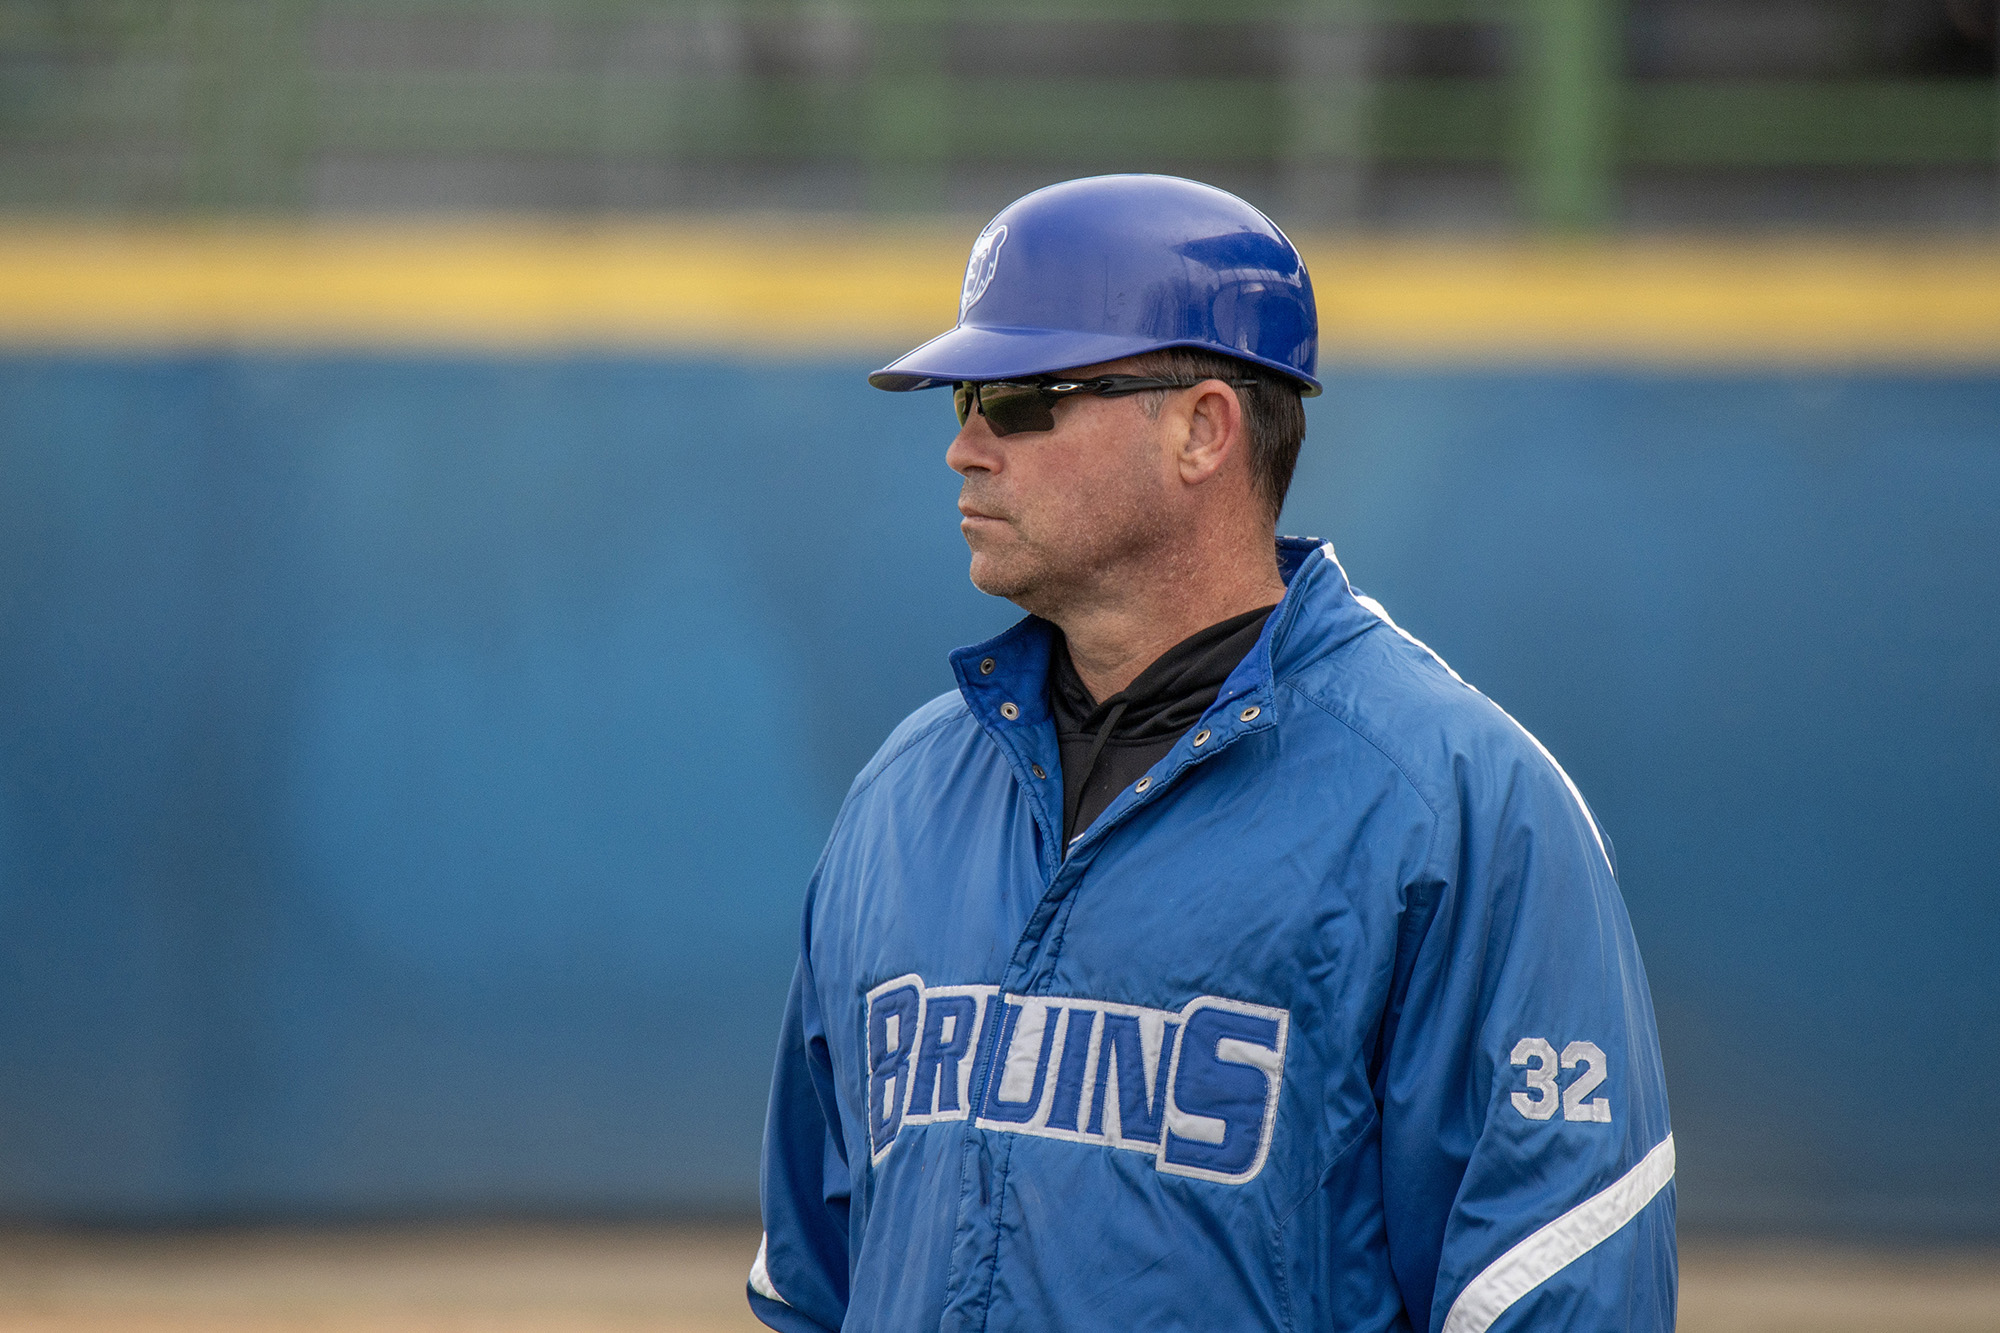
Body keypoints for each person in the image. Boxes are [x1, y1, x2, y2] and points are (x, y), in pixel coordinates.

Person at [748, 174, 1675, 1333]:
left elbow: (1552, 1286)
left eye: (1021, 397)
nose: (967, 446)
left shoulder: (1456, 803)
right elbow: (817, 1277)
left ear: (1201, 428)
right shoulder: (905, 793)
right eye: (960, 397)